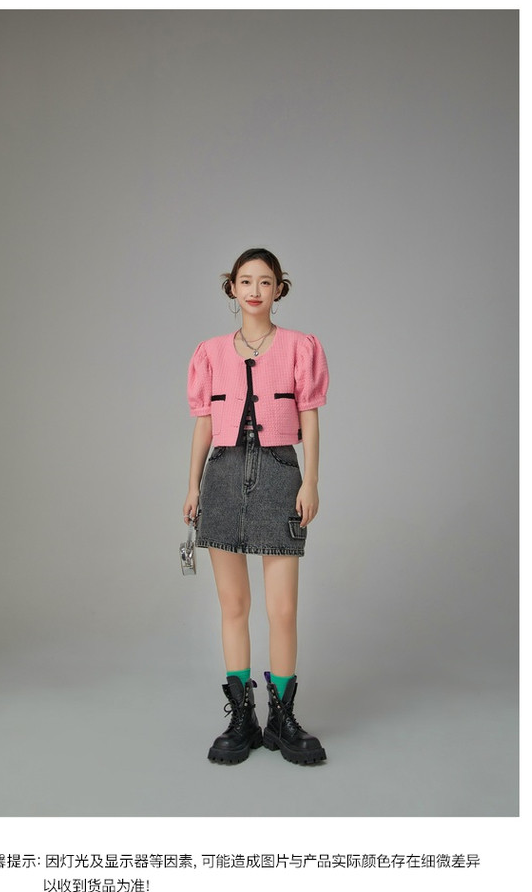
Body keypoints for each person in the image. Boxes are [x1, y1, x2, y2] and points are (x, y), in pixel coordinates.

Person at [183, 248, 329, 766]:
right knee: (234, 606)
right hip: (222, 474)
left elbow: (309, 416)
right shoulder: (209, 352)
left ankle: (282, 718)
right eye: (245, 281)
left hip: (279, 472)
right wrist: (193, 486)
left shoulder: (300, 347)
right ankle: (242, 718)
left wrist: (311, 481)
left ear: (279, 289)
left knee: (282, 608)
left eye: (265, 281)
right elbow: (204, 422)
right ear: (231, 288)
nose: (254, 290)